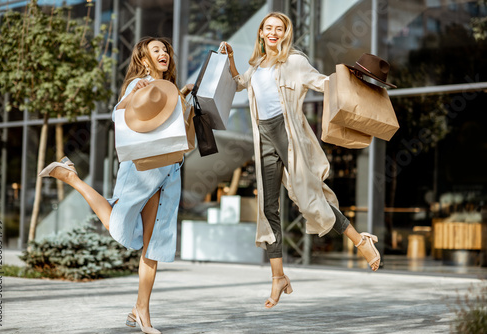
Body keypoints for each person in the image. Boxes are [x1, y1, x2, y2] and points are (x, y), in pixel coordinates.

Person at [221, 12, 381, 309]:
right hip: (264, 138)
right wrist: (230, 57)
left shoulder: (294, 61)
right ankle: (278, 276)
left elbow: (323, 82)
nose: (273, 32)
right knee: (267, 207)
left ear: (285, 34)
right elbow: (239, 83)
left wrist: (357, 82)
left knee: (310, 201)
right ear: (260, 32)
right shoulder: (255, 66)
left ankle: (361, 241)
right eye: (268, 28)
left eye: (278, 29)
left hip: (289, 135)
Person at [39, 36, 192, 334]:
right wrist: (134, 91)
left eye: (165, 50)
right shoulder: (140, 83)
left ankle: (141, 312)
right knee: (117, 228)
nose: (163, 53)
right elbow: (120, 111)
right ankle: (72, 178)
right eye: (156, 50)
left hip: (170, 171)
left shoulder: (168, 88)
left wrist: (183, 96)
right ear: (144, 59)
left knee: (153, 246)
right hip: (143, 168)